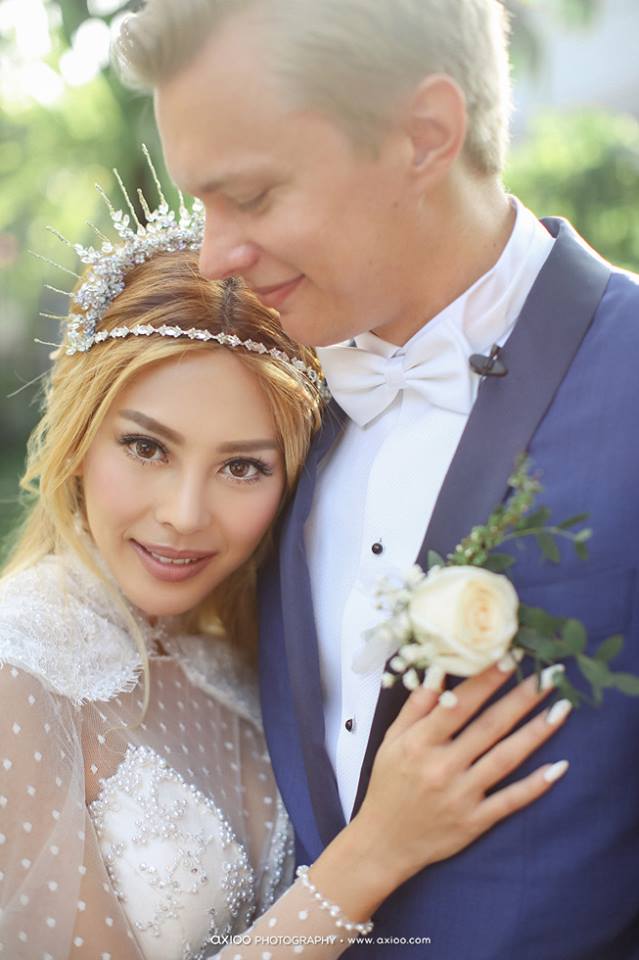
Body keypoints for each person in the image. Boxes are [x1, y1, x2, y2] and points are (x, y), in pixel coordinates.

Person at [114, 1, 639, 958]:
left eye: (252, 196)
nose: (215, 256)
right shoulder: (260, 400)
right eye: (202, 203)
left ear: (424, 135)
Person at [0, 179, 569, 960]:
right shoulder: (19, 669)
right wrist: (375, 851)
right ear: (78, 439)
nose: (184, 514)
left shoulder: (240, 656)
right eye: (145, 447)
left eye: (242, 467)